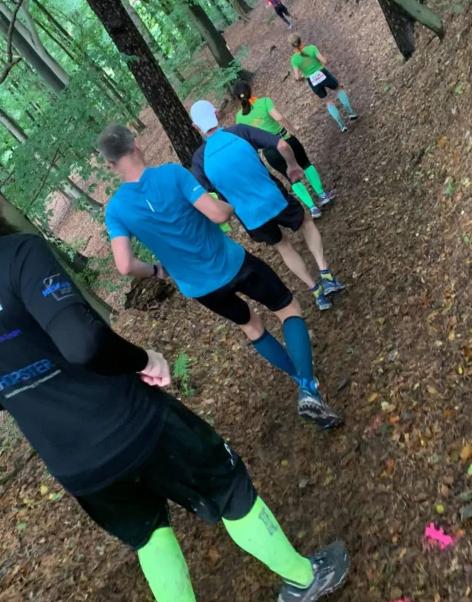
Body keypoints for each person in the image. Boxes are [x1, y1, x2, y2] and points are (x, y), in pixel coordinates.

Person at [0, 147, 349, 602]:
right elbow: (83, 343)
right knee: (226, 485)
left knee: (149, 536)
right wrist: (144, 357)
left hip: (71, 460)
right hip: (132, 420)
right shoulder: (17, 254)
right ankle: (304, 577)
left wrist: (13, 394)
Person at [100, 124, 342, 429]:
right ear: (136, 143)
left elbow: (124, 265)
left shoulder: (116, 210)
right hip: (233, 263)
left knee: (251, 326)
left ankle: (300, 380)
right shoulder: (172, 174)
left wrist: (156, 270)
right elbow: (217, 214)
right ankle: (307, 387)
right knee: (288, 308)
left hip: (200, 288)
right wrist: (229, 204)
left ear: (110, 165)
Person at [189, 101, 346, 312]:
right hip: (274, 197)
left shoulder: (199, 159)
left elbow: (206, 194)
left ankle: (316, 291)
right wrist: (292, 166)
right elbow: (282, 145)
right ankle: (325, 274)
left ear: (196, 126)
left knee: (283, 246)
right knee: (306, 222)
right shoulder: (240, 131)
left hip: (249, 215)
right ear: (216, 114)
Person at [233, 79, 335, 219]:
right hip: (285, 139)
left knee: (290, 177)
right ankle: (322, 195)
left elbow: (245, 139)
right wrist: (293, 129)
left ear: (237, 98)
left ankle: (312, 208)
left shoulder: (239, 117)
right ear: (250, 90)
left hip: (269, 151)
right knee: (305, 164)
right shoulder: (264, 102)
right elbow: (279, 117)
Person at [290, 33, 357, 133]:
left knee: (328, 102)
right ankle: (351, 112)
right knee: (339, 89)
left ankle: (342, 125)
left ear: (292, 45)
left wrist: (302, 77)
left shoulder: (294, 59)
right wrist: (326, 59)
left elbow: (297, 77)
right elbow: (324, 61)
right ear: (300, 40)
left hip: (312, 81)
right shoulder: (311, 48)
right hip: (323, 74)